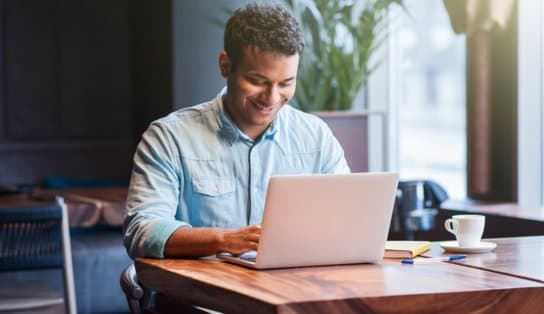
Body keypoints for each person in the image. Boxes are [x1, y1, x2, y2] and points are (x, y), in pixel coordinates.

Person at [123, 3, 350, 259]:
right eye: (257, 81)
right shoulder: (169, 138)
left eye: (286, 83)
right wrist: (224, 240)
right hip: (203, 296)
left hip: (294, 291)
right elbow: (142, 230)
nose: (271, 98)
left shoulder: (316, 137)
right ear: (225, 66)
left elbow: (347, 221)